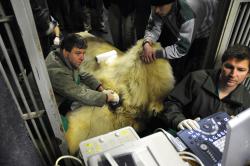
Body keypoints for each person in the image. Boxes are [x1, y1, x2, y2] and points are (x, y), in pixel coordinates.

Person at [158, 44, 250, 131]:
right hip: (183, 133)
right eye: (229, 67)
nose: (233, 74)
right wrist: (179, 121)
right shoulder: (196, 79)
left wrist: (237, 125)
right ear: (222, 65)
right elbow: (171, 103)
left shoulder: (246, 99)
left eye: (241, 70)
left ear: (248, 73)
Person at [142, 0, 219, 82]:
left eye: (160, 6)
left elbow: (181, 48)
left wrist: (155, 54)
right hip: (180, 24)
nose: (156, 10)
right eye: (154, 6)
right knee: (172, 65)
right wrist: (147, 43)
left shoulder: (189, 12)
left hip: (204, 33)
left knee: (191, 72)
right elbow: (153, 26)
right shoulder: (160, 7)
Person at [45, 33, 119, 114]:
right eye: (78, 53)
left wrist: (102, 90)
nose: (82, 58)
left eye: (83, 53)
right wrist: (106, 97)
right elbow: (80, 94)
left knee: (87, 92)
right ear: (66, 52)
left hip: (57, 96)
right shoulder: (57, 72)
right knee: (85, 99)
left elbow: (84, 74)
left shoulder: (63, 56)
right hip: (45, 110)